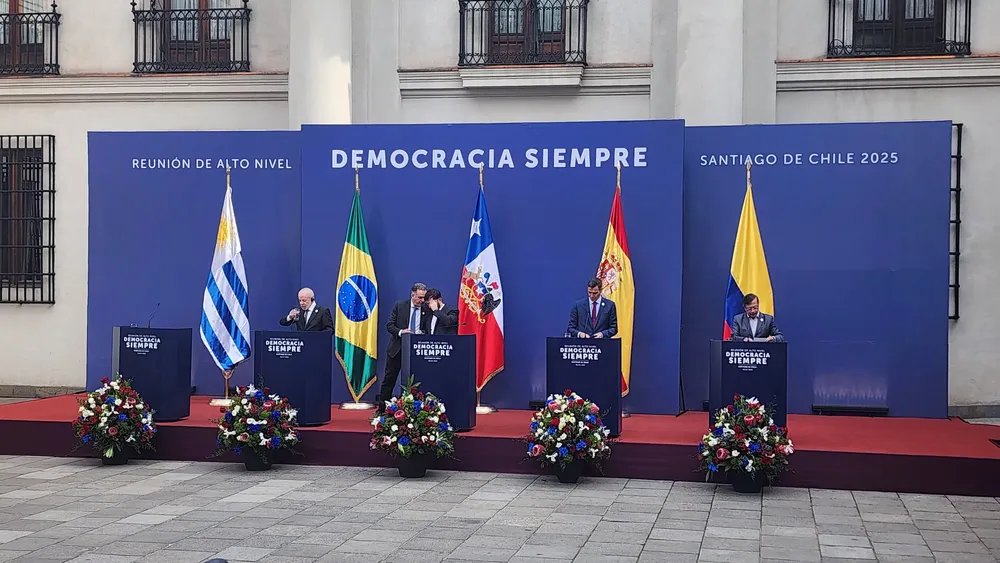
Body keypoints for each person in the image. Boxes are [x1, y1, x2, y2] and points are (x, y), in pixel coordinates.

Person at [378, 282, 427, 411]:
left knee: (417, 382)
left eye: (424, 298)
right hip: (397, 349)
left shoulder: (426, 310)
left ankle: (415, 409)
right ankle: (382, 409)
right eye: (420, 297)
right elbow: (390, 325)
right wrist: (401, 332)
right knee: (389, 379)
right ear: (412, 295)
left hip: (417, 351)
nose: (422, 301)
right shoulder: (400, 306)